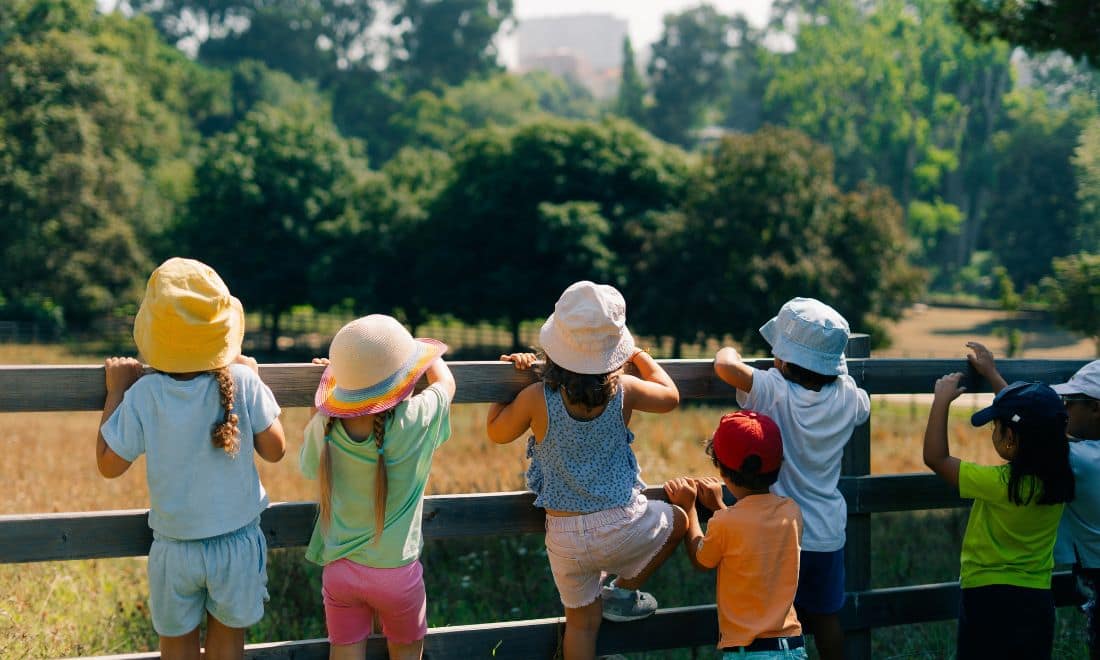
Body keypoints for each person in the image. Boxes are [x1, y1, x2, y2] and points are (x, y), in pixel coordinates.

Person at [96, 257, 287, 660]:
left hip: (175, 548)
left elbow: (109, 465)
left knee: (177, 648)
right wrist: (255, 379)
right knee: (227, 646)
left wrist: (116, 392)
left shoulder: (145, 394)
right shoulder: (243, 380)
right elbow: (276, 450)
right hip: (236, 544)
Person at [485, 280, 687, 660]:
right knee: (677, 520)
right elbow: (671, 395)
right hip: (619, 525)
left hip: (563, 538)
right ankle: (624, 592)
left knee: (580, 625)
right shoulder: (626, 389)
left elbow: (496, 433)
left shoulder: (534, 398)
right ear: (615, 352)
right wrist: (640, 355)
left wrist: (506, 384)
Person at [711, 297, 869, 660]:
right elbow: (863, 402)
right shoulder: (846, 397)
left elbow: (725, 365)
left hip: (777, 534)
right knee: (827, 616)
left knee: (773, 618)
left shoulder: (773, 389)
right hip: (827, 532)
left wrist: (731, 348)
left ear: (783, 359)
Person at [299, 315, 455, 660]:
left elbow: (307, 463)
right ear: (403, 379)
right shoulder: (415, 419)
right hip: (397, 574)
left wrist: (338, 377)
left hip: (339, 569)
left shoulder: (325, 425)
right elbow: (445, 385)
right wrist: (427, 356)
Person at [924, 342, 1074, 660]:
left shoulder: (1000, 484)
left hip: (987, 598)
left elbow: (935, 458)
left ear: (1010, 438)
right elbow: (1035, 422)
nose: (995, 431)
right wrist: (992, 374)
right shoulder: (1060, 475)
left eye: (996, 426)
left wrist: (940, 401)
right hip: (1036, 600)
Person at [970, 342, 1100, 657]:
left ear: (1096, 407)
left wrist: (992, 375)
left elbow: (1031, 425)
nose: (1062, 409)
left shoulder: (1080, 460)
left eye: (1069, 401)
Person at [664, 410, 806, 659]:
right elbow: (752, 534)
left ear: (722, 470)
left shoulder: (726, 522)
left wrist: (689, 509)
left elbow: (702, 558)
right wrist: (721, 508)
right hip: (792, 647)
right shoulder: (791, 511)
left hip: (749, 652)